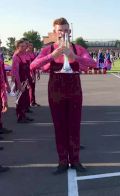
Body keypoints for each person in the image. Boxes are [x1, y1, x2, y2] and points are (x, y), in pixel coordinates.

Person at [30, 17, 96, 175]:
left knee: (74, 126)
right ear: (55, 32)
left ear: (70, 32)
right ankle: (62, 161)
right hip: (56, 92)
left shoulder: (77, 48)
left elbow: (93, 64)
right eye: (60, 30)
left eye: (66, 30)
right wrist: (52, 55)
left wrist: (74, 57)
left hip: (74, 92)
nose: (63, 33)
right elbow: (33, 65)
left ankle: (75, 160)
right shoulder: (48, 49)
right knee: (59, 127)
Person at [12, 39, 33, 123]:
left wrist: (28, 80)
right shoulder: (16, 57)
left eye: (25, 46)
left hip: (25, 79)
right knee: (20, 99)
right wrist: (19, 84)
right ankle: (20, 117)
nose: (24, 48)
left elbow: (28, 69)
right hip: (20, 80)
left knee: (24, 99)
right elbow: (16, 72)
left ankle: (23, 115)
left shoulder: (24, 55)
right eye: (22, 46)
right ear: (17, 47)